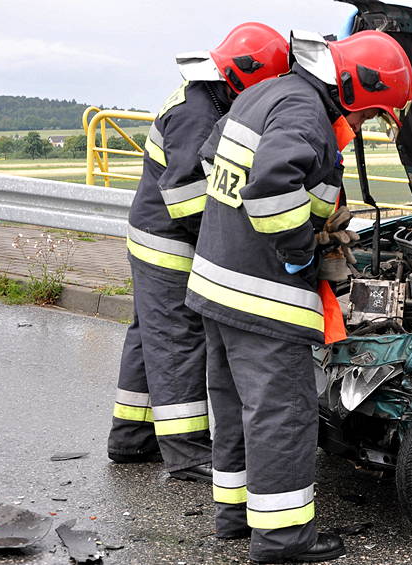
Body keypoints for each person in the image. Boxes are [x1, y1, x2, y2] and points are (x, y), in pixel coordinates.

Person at [185, 29, 412, 562]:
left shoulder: (270, 91)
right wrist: (302, 249)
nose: (362, 127)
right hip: (262, 297)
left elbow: (208, 157)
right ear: (356, 88)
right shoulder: (305, 112)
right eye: (370, 114)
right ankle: (283, 539)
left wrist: (292, 224)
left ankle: (237, 517)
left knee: (241, 409)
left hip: (217, 285)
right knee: (282, 415)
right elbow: (270, 187)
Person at [107, 23, 290, 483]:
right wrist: (231, 239)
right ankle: (188, 453)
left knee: (149, 334)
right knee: (177, 341)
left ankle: (130, 436)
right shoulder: (195, 113)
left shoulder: (201, 97)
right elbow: (188, 199)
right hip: (168, 244)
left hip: (152, 236)